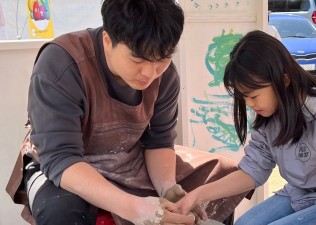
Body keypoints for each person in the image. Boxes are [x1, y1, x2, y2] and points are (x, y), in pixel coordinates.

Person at [5, 1, 248, 225]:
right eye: (137, 60)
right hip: (61, 166)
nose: (149, 73)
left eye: (161, 60)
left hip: (129, 158)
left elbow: (159, 142)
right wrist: (137, 209)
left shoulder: (165, 75)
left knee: (220, 176)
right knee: (62, 213)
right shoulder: (61, 63)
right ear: (108, 40)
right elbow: (61, 159)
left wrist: (168, 189)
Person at [177, 30, 316, 225]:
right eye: (244, 97)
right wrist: (197, 195)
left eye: (253, 95)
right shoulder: (272, 114)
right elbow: (253, 170)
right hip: (309, 192)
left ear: (283, 81)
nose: (249, 104)